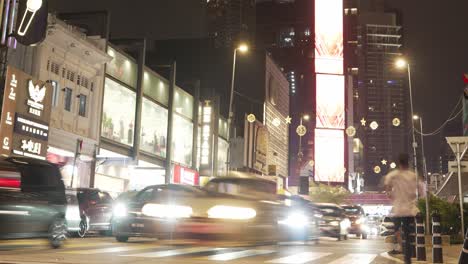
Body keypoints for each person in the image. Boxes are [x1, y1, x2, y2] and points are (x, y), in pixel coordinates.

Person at [384, 153, 425, 264]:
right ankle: (408, 257)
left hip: (398, 210)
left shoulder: (393, 175)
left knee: (397, 231)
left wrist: (392, 195)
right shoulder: (413, 176)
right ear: (408, 162)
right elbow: (422, 191)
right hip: (410, 210)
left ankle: (402, 247)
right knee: (408, 235)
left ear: (399, 163)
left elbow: (387, 188)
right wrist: (415, 197)